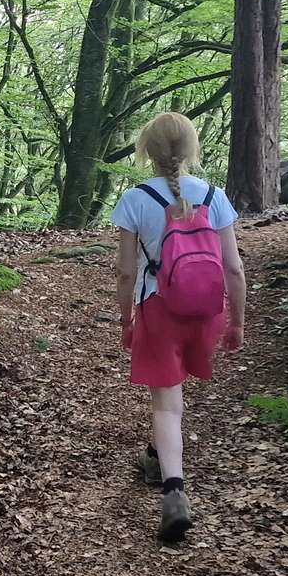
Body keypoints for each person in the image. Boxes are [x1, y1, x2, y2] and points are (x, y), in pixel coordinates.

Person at [110, 112, 246, 543]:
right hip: (205, 310)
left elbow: (125, 272)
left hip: (159, 307)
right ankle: (156, 454)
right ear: (191, 148)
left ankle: (173, 491)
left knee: (166, 404)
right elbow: (233, 268)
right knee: (176, 392)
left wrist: (126, 319)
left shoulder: (135, 199)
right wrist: (237, 321)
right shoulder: (213, 196)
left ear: (146, 150)